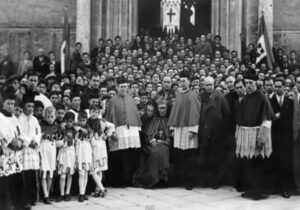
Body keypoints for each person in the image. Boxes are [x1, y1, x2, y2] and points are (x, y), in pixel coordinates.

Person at [235, 74, 274, 200]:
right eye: (246, 83)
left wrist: (262, 139)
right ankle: (251, 189)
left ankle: (259, 191)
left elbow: (268, 119)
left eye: (250, 83)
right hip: (246, 137)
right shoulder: (245, 98)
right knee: (249, 164)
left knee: (258, 164)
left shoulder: (262, 98)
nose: (248, 86)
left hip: (258, 136)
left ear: (256, 83)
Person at [105, 76, 142, 187]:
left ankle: (128, 180)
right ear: (117, 87)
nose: (123, 89)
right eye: (121, 87)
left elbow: (135, 115)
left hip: (131, 131)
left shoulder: (131, 99)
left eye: (125, 87)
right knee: (118, 156)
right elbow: (110, 117)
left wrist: (137, 129)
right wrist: (113, 131)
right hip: (119, 130)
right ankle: (117, 181)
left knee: (129, 156)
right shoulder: (112, 101)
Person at [168, 71, 201, 190]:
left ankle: (190, 181)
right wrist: (172, 128)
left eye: (184, 80)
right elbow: (175, 112)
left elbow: (195, 113)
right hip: (179, 128)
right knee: (180, 155)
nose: (182, 83)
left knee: (189, 156)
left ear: (189, 82)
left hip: (189, 128)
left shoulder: (193, 95)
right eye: (180, 80)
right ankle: (181, 179)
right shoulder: (179, 94)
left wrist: (193, 130)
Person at [199, 76, 230, 189]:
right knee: (205, 157)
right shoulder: (200, 97)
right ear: (203, 85)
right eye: (207, 85)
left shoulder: (220, 97)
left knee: (215, 158)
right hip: (204, 132)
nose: (209, 87)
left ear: (214, 84)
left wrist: (222, 130)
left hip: (217, 133)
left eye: (211, 84)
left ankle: (215, 181)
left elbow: (227, 115)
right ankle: (205, 180)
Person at [0, 87, 26, 210]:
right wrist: (13, 144)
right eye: (8, 103)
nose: (10, 106)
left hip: (17, 156)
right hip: (6, 156)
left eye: (12, 103)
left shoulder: (15, 118)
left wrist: (20, 142)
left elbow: (21, 134)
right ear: (3, 103)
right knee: (5, 184)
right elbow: (4, 136)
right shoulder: (0, 117)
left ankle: (19, 205)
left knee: (17, 182)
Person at [269, 78, 294, 198]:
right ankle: (275, 187)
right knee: (275, 162)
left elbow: (292, 119)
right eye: (276, 86)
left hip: (286, 137)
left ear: (284, 87)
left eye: (279, 86)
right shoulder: (270, 100)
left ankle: (285, 188)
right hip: (274, 136)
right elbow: (268, 117)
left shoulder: (290, 101)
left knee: (286, 163)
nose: (277, 88)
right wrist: (274, 116)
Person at [138, 99, 171, 188]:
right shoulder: (154, 120)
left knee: (162, 151)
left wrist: (164, 141)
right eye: (160, 108)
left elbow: (170, 136)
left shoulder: (169, 120)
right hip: (153, 144)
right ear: (157, 109)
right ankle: (153, 180)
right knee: (154, 152)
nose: (162, 110)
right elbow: (148, 135)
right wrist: (152, 140)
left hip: (165, 144)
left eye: (164, 108)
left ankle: (162, 179)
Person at [19, 92, 42, 207]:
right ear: (23, 106)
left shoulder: (35, 119)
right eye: (28, 106)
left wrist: (36, 141)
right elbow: (20, 133)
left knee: (33, 174)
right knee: (25, 174)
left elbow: (38, 132)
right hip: (25, 149)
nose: (30, 109)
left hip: (33, 149)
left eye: (32, 106)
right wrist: (29, 142)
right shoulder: (19, 119)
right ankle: (25, 199)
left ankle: (33, 197)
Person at [87, 105, 115, 197]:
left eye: (96, 111)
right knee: (93, 169)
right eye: (92, 111)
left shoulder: (102, 121)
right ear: (90, 112)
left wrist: (107, 135)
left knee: (100, 169)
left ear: (98, 113)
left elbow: (112, 126)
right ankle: (102, 188)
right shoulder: (87, 122)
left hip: (100, 146)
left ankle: (98, 189)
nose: (94, 113)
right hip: (91, 146)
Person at [40, 106, 62, 204]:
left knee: (51, 174)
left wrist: (59, 142)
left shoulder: (57, 127)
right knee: (44, 173)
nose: (50, 118)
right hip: (44, 150)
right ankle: (45, 195)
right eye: (48, 116)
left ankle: (48, 193)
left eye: (52, 116)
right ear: (45, 116)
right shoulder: (41, 126)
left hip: (52, 150)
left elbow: (59, 139)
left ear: (55, 116)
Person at [56, 112, 76, 202]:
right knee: (62, 176)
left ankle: (67, 193)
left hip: (71, 153)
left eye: (71, 121)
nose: (69, 123)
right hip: (63, 153)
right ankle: (61, 193)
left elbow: (76, 143)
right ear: (65, 121)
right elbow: (57, 144)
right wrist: (64, 140)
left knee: (69, 174)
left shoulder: (75, 131)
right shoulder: (61, 130)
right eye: (67, 121)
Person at [76, 111, 92, 202]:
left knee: (85, 172)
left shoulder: (88, 128)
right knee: (81, 173)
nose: (82, 122)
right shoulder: (76, 128)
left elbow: (89, 134)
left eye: (84, 120)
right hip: (79, 149)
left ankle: (84, 192)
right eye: (80, 120)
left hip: (86, 149)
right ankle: (80, 193)